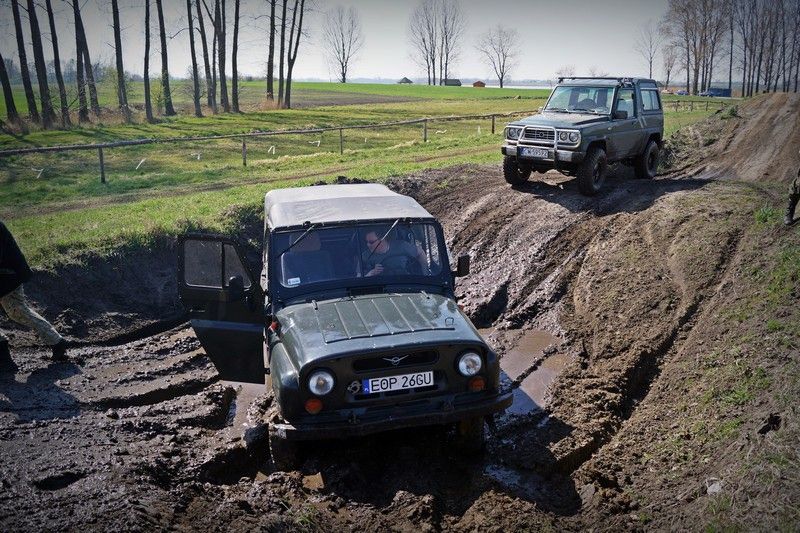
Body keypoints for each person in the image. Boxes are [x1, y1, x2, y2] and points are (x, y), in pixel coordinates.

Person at [0, 220, 69, 370]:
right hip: (6, 275)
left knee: (17, 311)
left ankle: (56, 341)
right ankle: (3, 355)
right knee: (17, 311)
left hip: (8, 276)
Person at [362, 229, 427, 277]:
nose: (368, 245)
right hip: (379, 289)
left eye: (371, 242)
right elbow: (358, 277)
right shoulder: (365, 256)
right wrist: (371, 273)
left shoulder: (401, 246)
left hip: (405, 283)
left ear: (382, 239)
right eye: (367, 242)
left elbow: (420, 252)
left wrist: (425, 275)